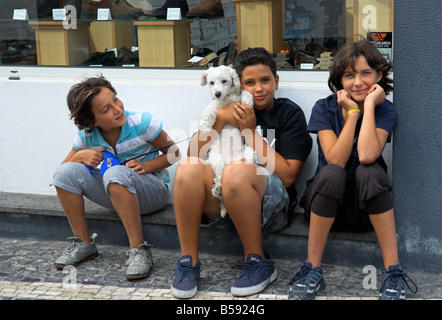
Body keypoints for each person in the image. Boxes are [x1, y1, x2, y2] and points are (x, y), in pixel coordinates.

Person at [171, 47, 312, 298]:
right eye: (250, 82)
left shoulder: (289, 114)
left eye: (265, 80)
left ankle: (258, 261)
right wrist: (220, 120)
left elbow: (289, 175)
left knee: (236, 171)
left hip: (271, 208)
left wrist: (249, 132)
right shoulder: (226, 106)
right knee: (187, 168)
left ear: (276, 81)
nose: (258, 88)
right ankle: (188, 262)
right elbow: (193, 153)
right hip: (224, 202)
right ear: (237, 84)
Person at [288, 38, 417, 300]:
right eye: (349, 75)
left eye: (366, 73)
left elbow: (368, 155)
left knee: (369, 170)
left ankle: (393, 272)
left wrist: (367, 107)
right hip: (324, 207)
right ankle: (312, 269)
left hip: (362, 211)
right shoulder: (324, 108)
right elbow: (335, 160)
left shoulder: (385, 111)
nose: (358, 82)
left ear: (379, 76)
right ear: (339, 80)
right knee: (334, 172)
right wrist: (352, 115)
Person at [51, 76, 180, 280]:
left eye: (116, 99)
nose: (118, 108)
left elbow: (174, 153)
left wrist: (147, 166)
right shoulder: (87, 134)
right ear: (91, 121)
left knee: (115, 172)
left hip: (153, 192)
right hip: (115, 192)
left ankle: (139, 250)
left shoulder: (142, 122)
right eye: (106, 109)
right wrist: (79, 156)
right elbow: (63, 172)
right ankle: (84, 243)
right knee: (64, 172)